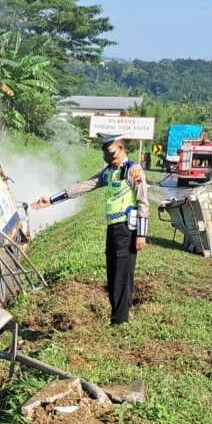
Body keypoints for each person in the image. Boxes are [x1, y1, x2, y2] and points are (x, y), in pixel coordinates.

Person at [32, 133, 149, 325]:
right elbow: (84, 186)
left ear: (120, 148)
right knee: (113, 274)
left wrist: (141, 234)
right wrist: (52, 199)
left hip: (128, 229)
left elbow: (143, 202)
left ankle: (119, 322)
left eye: (110, 153)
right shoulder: (109, 172)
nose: (107, 157)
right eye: (104, 154)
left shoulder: (133, 170)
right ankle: (119, 318)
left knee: (122, 275)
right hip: (113, 229)